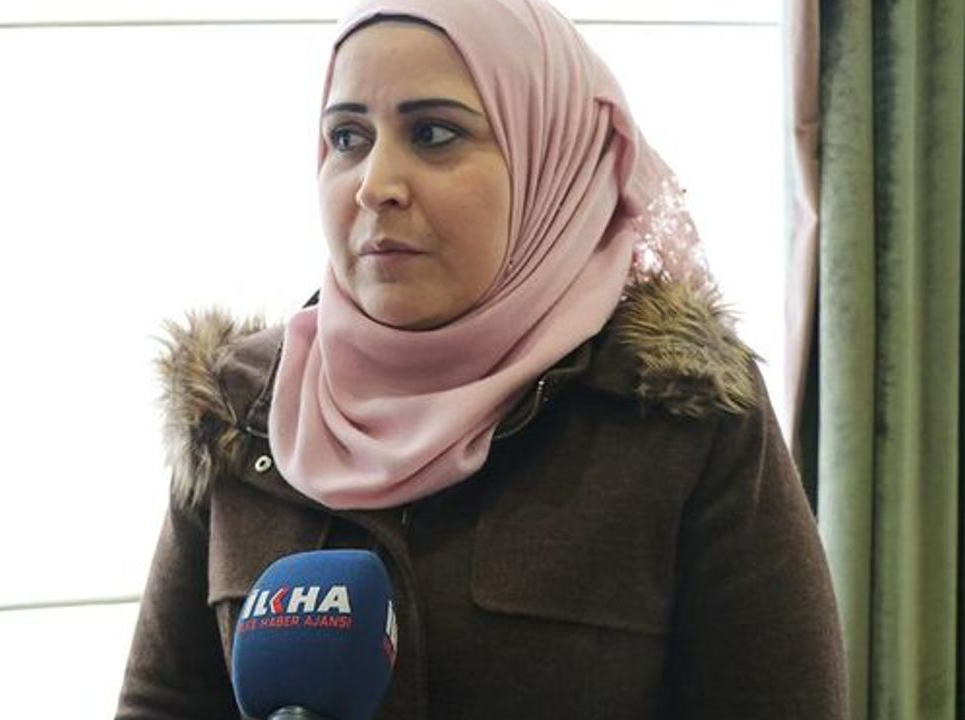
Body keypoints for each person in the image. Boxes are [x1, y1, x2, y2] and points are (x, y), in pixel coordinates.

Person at [116, 0, 847, 717]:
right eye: (347, 138)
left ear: (549, 156)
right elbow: (162, 701)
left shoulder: (676, 414)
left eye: (433, 134)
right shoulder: (242, 409)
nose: (375, 185)